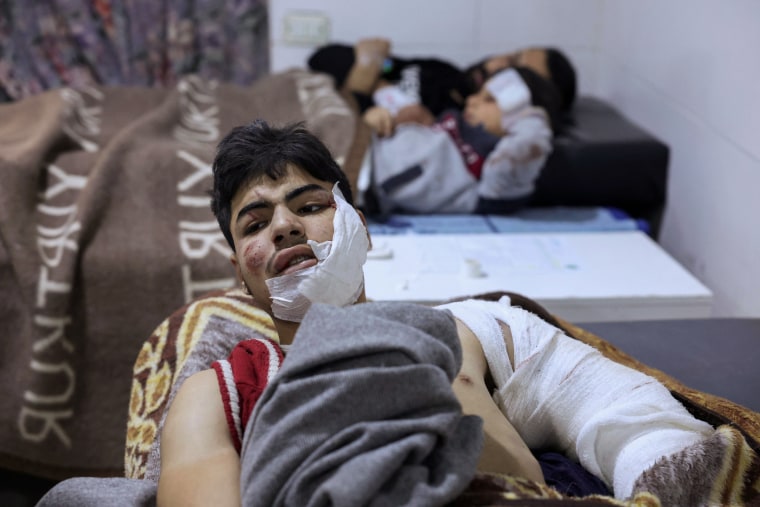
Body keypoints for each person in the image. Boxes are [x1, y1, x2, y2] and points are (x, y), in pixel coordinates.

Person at [156, 120, 716, 506]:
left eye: (309, 207)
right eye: (255, 224)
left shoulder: (454, 335)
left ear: (362, 228)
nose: (283, 226)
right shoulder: (216, 392)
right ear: (241, 274)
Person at [362, 66, 560, 215]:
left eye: (490, 99)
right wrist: (379, 117)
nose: (471, 100)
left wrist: (530, 117)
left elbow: (526, 147)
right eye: (478, 94)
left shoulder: (494, 172)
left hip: (361, 182)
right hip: (360, 142)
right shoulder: (450, 122)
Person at [307, 38, 577, 116]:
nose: (498, 65)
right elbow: (329, 57)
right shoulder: (444, 71)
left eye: (515, 71)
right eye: (513, 55)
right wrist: (376, 72)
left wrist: (368, 73)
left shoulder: (463, 122)